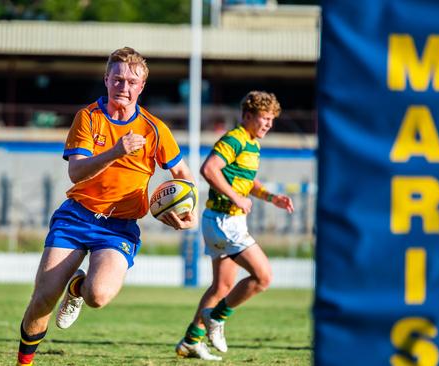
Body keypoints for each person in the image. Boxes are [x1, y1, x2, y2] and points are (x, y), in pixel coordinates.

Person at [16, 47, 197, 366]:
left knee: (97, 296)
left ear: (142, 87)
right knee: (43, 299)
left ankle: (77, 288)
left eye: (131, 81)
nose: (123, 87)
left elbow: (182, 175)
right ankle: (23, 362)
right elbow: (76, 171)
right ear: (106, 80)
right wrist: (116, 151)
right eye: (117, 79)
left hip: (119, 227)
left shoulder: (154, 129)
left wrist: (186, 211)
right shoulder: (87, 118)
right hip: (76, 217)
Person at [175, 91, 294, 360]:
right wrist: (235, 197)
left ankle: (191, 341)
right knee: (263, 277)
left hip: (222, 220)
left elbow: (246, 181)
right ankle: (216, 318)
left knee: (221, 287)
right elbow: (209, 169)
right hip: (224, 220)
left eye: (272, 120)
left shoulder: (252, 143)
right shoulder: (235, 138)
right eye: (264, 118)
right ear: (248, 116)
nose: (268, 124)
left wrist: (272, 197)